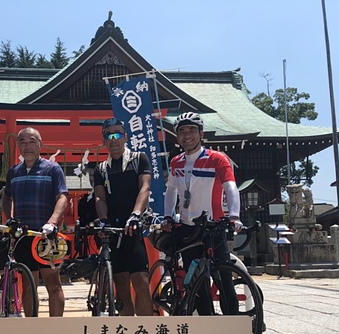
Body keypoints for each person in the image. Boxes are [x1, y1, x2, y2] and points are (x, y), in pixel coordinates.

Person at [163, 112, 242, 315]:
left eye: (191, 130)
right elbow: (171, 191)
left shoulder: (217, 159)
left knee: (223, 279)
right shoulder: (176, 162)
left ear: (201, 133)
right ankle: (207, 325)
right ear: (177, 136)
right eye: (181, 131)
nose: (186, 135)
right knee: (197, 283)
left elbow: (231, 187)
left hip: (213, 227)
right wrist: (168, 216)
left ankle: (233, 323)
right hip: (188, 228)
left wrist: (234, 215)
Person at [2, 127, 68, 317]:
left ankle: (55, 330)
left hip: (46, 235)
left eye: (31, 141)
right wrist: (10, 219)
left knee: (53, 284)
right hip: (23, 235)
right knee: (29, 285)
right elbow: (6, 197)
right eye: (22, 142)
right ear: (18, 146)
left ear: (40, 144)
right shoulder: (13, 172)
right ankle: (32, 330)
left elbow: (62, 197)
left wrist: (53, 222)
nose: (27, 146)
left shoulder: (52, 168)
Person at [93, 118, 153, 316]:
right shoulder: (101, 169)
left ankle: (147, 330)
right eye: (108, 135)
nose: (113, 139)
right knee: (121, 284)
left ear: (125, 137)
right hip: (113, 229)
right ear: (103, 140)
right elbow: (100, 197)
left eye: (118, 134)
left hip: (133, 226)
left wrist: (136, 214)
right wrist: (103, 221)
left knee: (141, 281)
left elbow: (144, 188)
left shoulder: (139, 159)